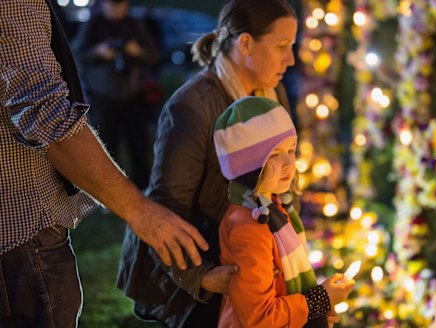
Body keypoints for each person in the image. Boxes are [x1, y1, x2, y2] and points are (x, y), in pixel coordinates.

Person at [0, 1, 207, 327]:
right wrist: (140, 212)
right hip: (23, 234)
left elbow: (152, 53)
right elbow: (46, 115)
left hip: (129, 99)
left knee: (137, 152)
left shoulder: (136, 23)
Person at [117, 0, 299, 326]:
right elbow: (166, 210)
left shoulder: (272, 94)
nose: (291, 58)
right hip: (203, 266)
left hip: (248, 259)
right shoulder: (193, 108)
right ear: (245, 43)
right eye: (282, 46)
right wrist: (203, 276)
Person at [214, 96, 355, 328]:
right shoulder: (249, 227)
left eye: (291, 150)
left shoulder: (274, 207)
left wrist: (317, 311)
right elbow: (259, 317)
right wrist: (319, 301)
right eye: (274, 154)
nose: (289, 163)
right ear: (247, 165)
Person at [73, 0, 160, 189]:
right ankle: (109, 192)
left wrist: (137, 51)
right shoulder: (94, 24)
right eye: (111, 5)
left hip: (133, 95)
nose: (115, 10)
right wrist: (98, 51)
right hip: (103, 97)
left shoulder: (135, 24)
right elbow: (77, 53)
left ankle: (142, 190)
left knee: (139, 147)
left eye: (120, 5)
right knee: (106, 147)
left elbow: (153, 54)